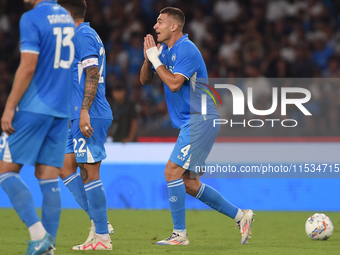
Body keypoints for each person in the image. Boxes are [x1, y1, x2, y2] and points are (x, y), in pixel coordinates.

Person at [140, 7, 254, 245]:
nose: (155, 26)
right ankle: (241, 216)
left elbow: (173, 84)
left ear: (174, 26)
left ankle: (179, 235)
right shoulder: (165, 51)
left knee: (171, 171)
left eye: (159, 22)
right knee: (190, 184)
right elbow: (145, 79)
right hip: (193, 121)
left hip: (200, 119)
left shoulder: (187, 50)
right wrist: (148, 57)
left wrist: (154, 58)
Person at [0, 0, 75, 254]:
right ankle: (49, 249)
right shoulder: (66, 17)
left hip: (34, 107)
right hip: (60, 110)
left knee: (5, 171)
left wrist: (10, 106)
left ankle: (38, 234)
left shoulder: (31, 18)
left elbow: (28, 65)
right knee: (47, 176)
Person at [57, 0, 113, 251]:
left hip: (89, 113)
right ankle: (99, 222)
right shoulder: (77, 37)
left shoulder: (83, 35)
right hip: (76, 114)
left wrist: (83, 111)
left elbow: (92, 74)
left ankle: (102, 236)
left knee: (90, 171)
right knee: (65, 165)